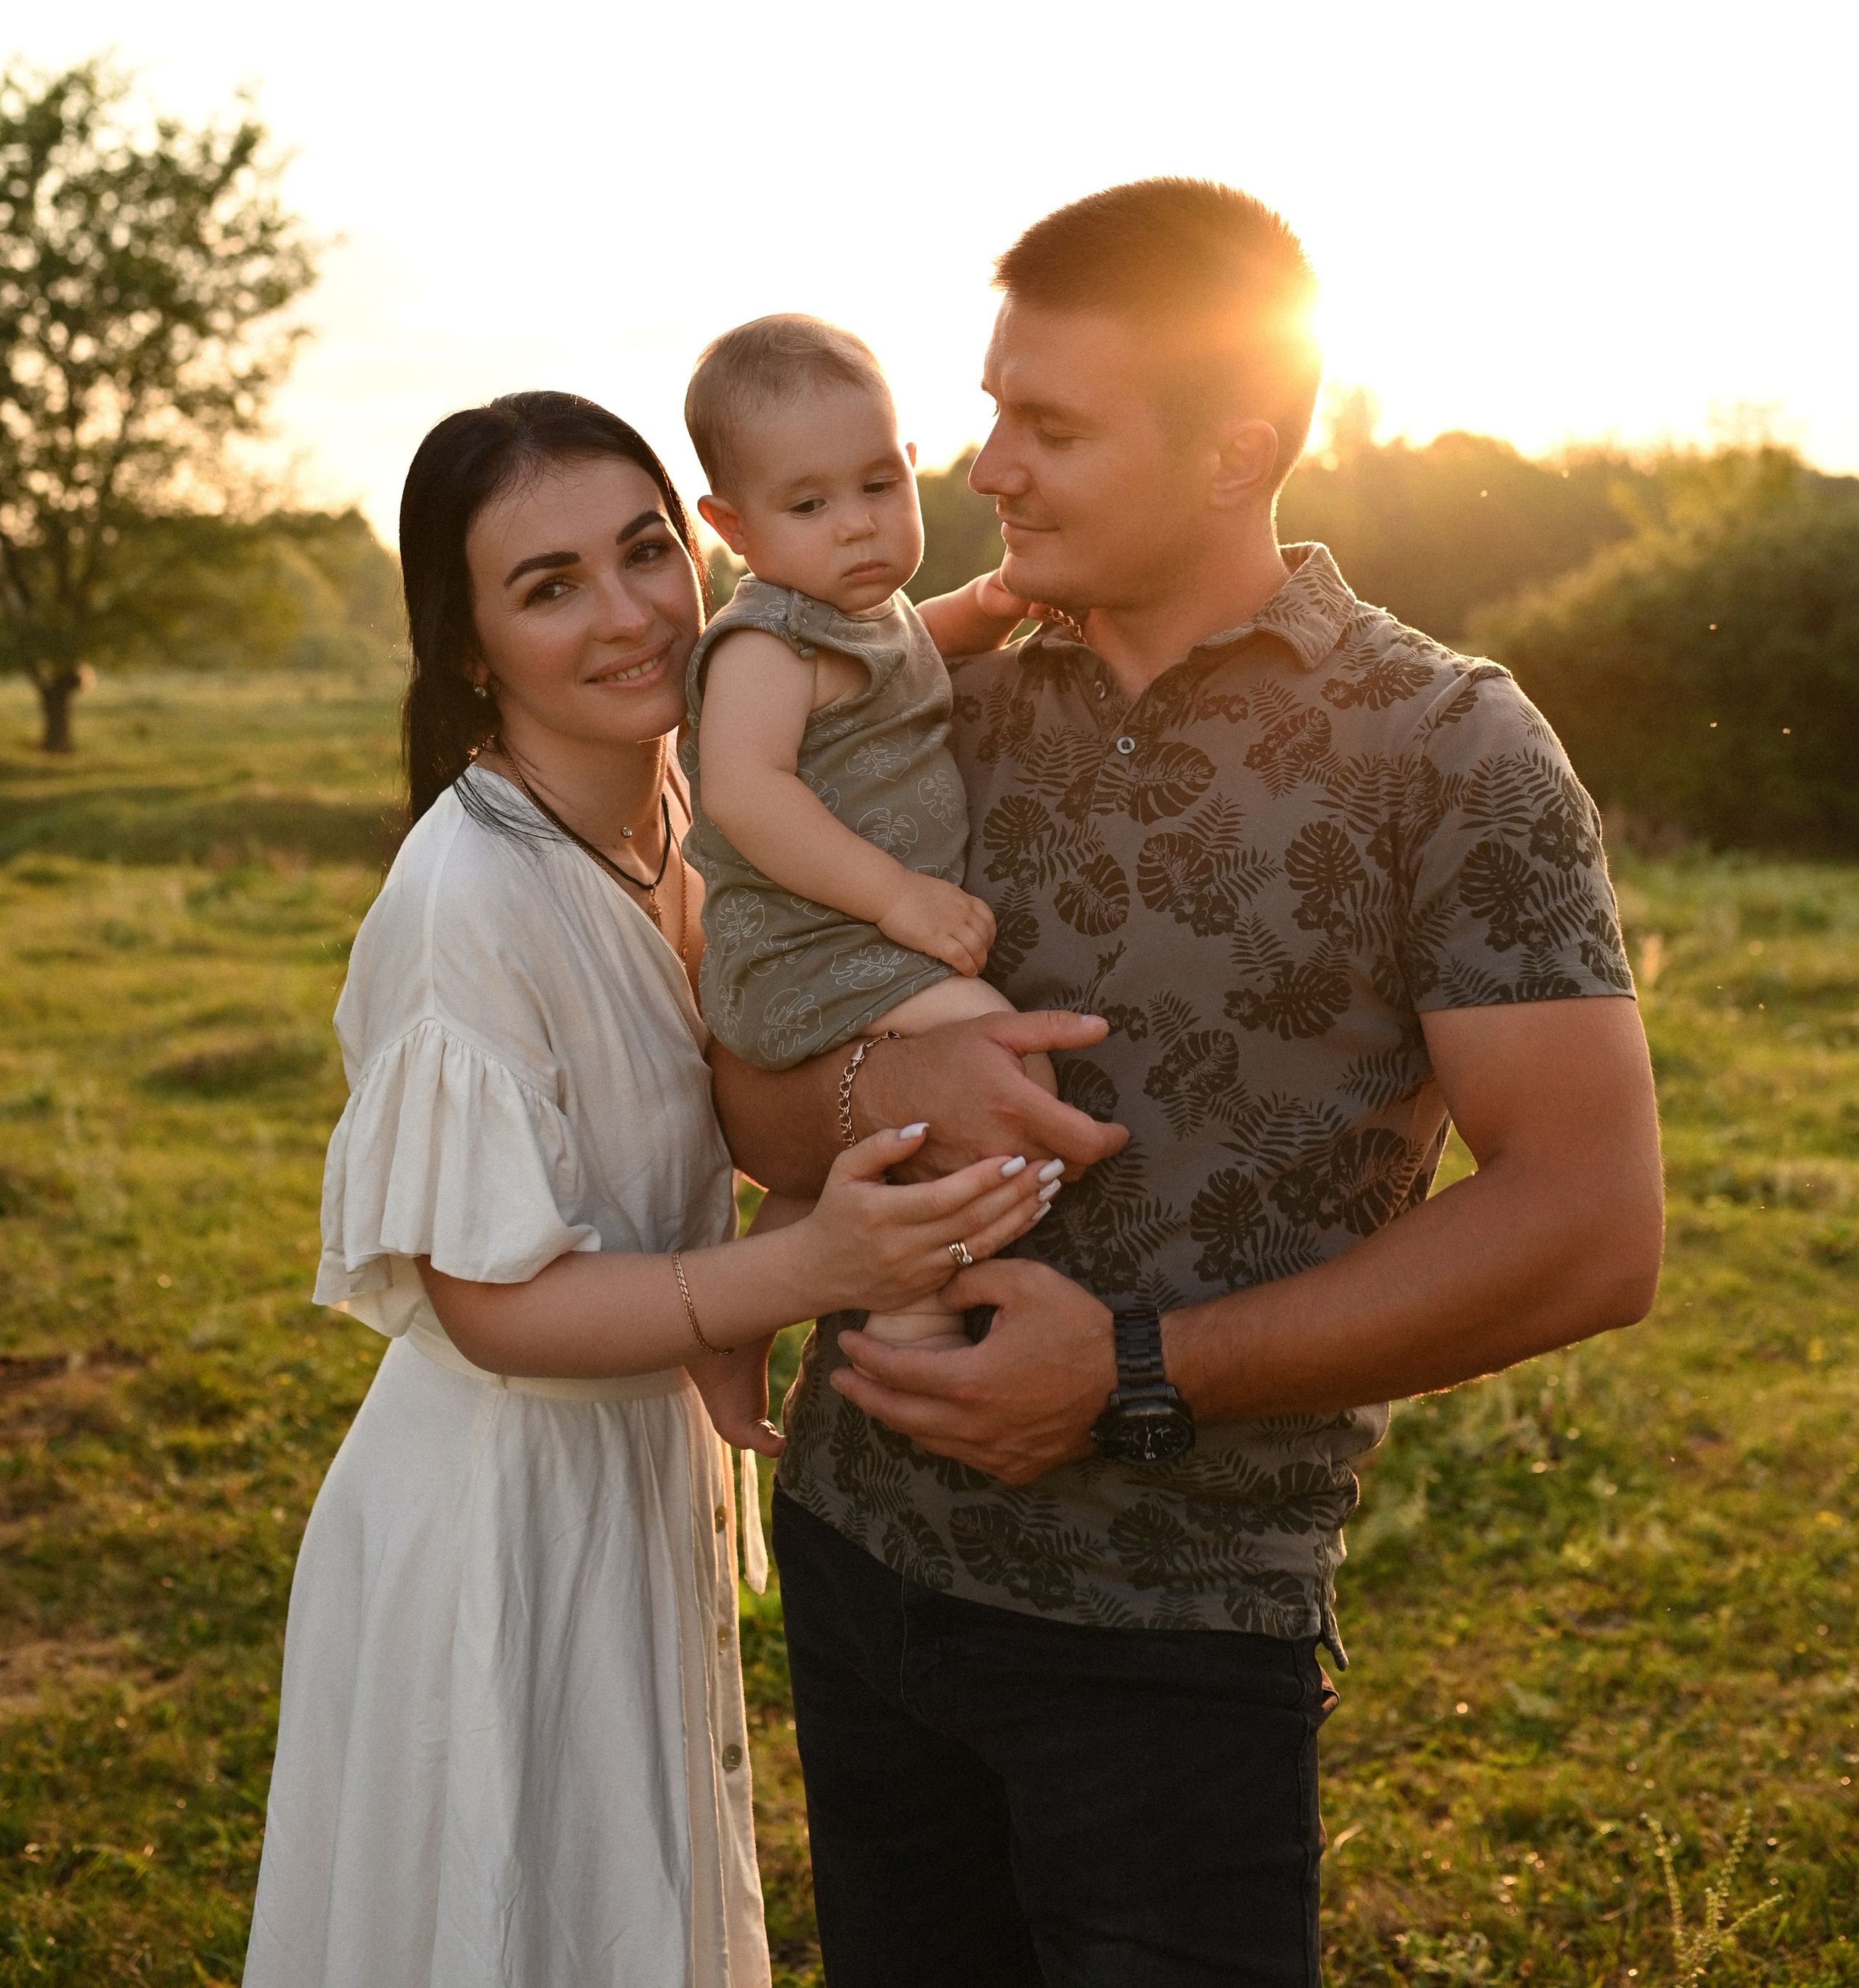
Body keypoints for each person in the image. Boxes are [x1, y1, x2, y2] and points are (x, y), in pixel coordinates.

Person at [713, 181, 1666, 1988]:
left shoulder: (1445, 746)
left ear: (1234, 449)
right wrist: (875, 1084)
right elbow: (749, 1099)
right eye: (990, 410)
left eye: (1049, 426)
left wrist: (1132, 1375)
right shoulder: (925, 707)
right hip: (856, 1559)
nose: (986, 467)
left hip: (1165, 1634)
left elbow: (1588, 1229)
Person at [243, 391, 1051, 1988]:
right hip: (496, 1515)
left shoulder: (680, 812)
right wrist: (794, 1268)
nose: (626, 616)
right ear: (469, 647)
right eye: (548, 586)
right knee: (513, 1923)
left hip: (628, 1479)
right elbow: (484, 1299)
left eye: (642, 554)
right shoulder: (464, 899)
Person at [680, 314, 1064, 1345]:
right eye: (809, 504)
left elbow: (902, 661)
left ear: (908, 466)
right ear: (733, 527)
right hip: (810, 949)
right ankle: (914, 1315)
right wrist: (899, 897)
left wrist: (981, 607)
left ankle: (765, 1286)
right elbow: (745, 792)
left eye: (876, 488)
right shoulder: (764, 642)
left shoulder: (859, 616)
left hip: (855, 943)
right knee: (1000, 1063)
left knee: (907, 1118)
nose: (855, 525)